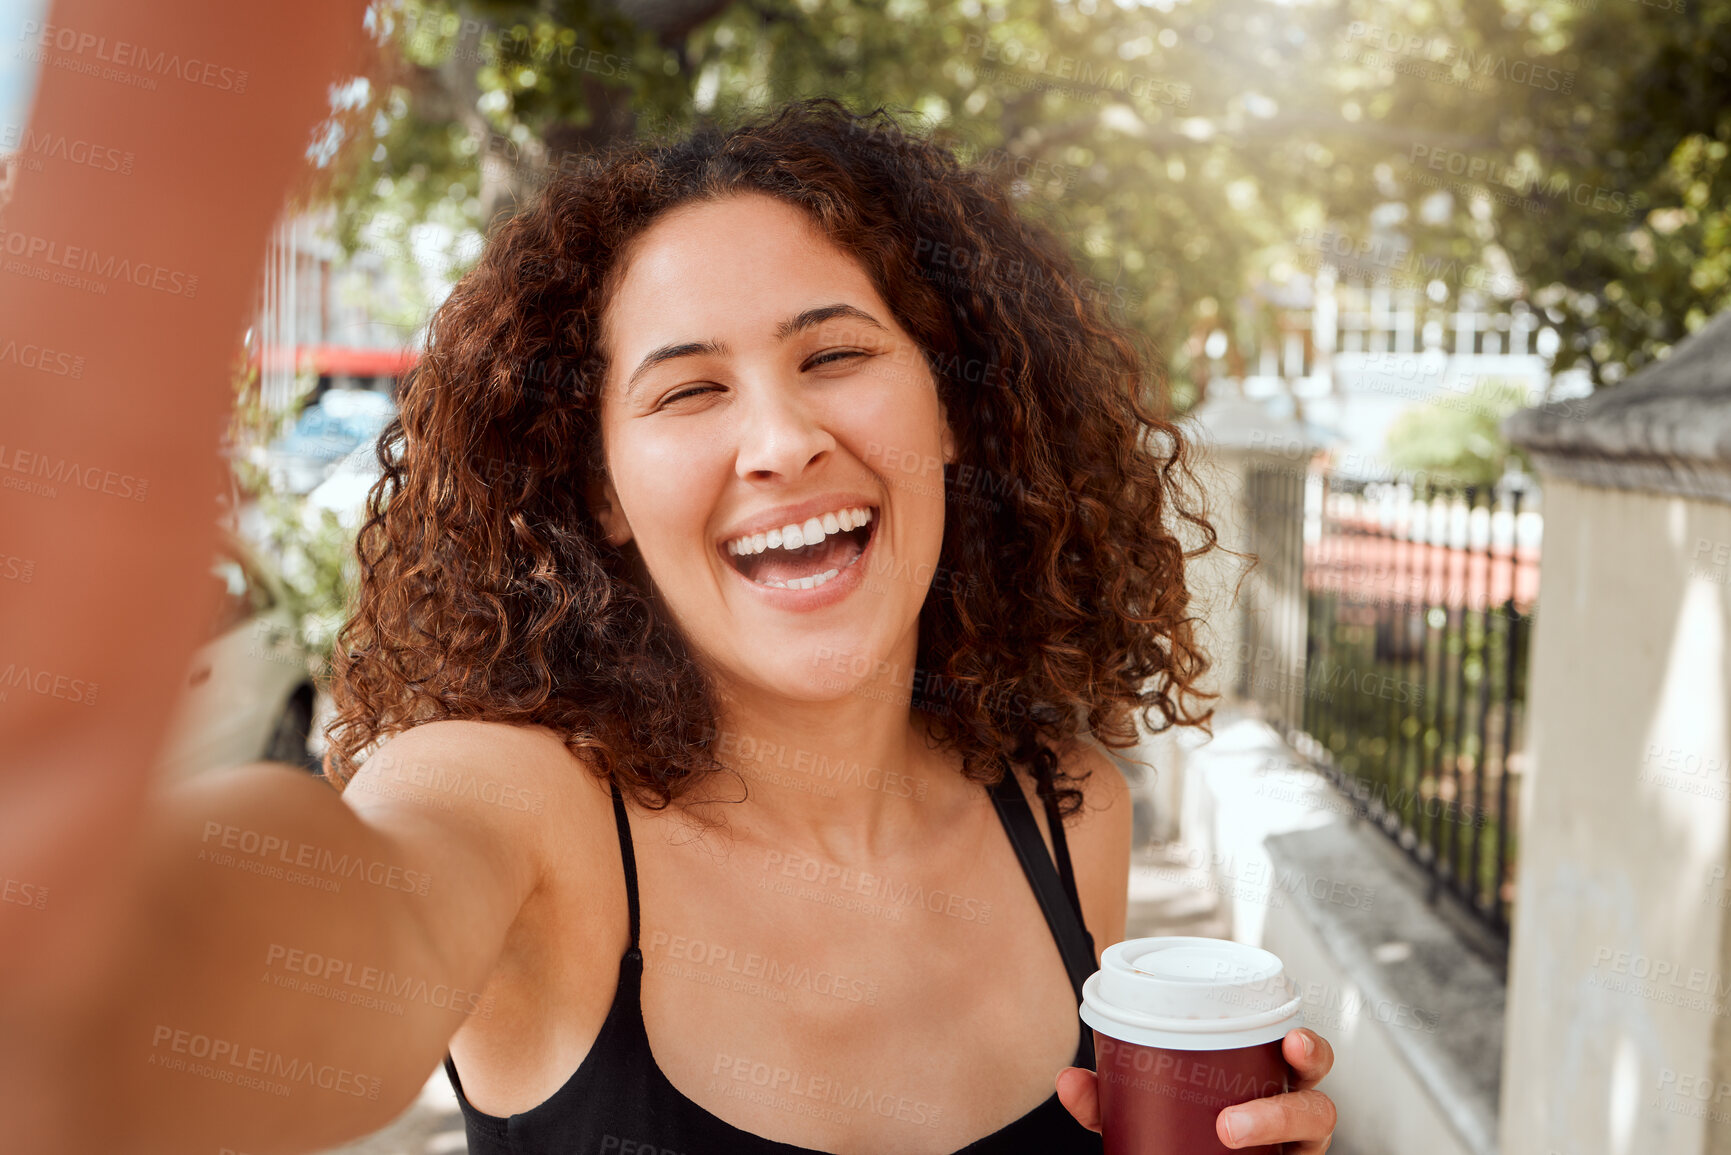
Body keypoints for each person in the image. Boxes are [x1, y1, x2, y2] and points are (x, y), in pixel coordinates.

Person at [0, 7, 1337, 1151]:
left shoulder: (1066, 814)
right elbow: (103, 1023)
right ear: (601, 495)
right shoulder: (526, 815)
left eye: (835, 356)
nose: (781, 440)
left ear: (952, 417)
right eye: (690, 388)